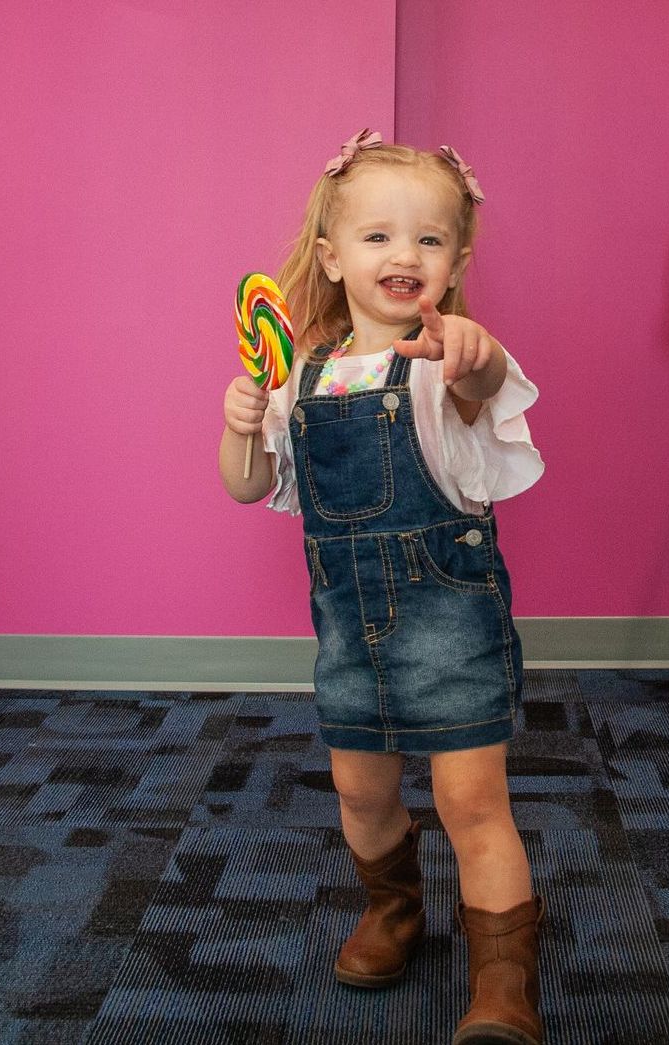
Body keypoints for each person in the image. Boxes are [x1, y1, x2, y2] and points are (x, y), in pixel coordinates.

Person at [219, 129, 545, 1045]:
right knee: (360, 791)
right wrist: (241, 420)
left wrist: (470, 355)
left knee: (471, 801)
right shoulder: (298, 377)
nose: (404, 255)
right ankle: (395, 908)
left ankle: (504, 971)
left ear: (457, 261)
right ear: (331, 256)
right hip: (349, 633)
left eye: (430, 241)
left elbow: (482, 385)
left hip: (452, 625)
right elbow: (247, 484)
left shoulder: (448, 365)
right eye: (377, 237)